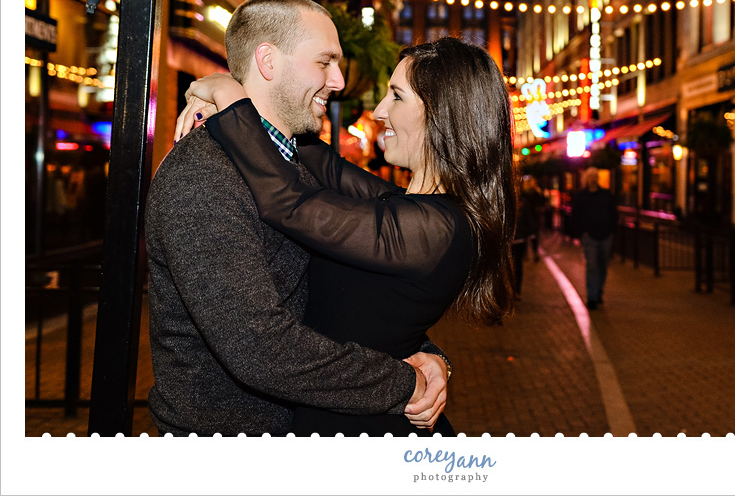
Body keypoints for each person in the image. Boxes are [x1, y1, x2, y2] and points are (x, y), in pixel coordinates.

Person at [176, 33, 517, 437]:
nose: (379, 111)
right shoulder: (408, 207)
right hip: (347, 411)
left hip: (360, 426)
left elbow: (287, 202)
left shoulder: (435, 227)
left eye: (397, 96)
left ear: (442, 115)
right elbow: (316, 158)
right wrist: (245, 93)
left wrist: (228, 94)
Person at [145, 0, 451, 437]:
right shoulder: (203, 174)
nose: (339, 80)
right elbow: (259, 347)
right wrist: (406, 382)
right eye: (325, 62)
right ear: (268, 61)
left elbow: (341, 299)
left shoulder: (292, 166)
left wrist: (428, 354)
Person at [570, 167, 618, 309]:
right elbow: (575, 215)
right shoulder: (581, 196)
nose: (593, 179)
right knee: (592, 266)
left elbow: (614, 213)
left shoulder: (606, 195)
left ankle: (598, 291)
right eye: (590, 177)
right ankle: (592, 297)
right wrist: (582, 231)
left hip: (605, 236)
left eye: (595, 176)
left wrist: (611, 230)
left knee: (602, 266)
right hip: (589, 237)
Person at [520, 175, 546, 261]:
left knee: (534, 236)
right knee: (525, 237)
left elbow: (542, 202)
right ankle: (525, 253)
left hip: (534, 217)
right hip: (526, 218)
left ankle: (534, 253)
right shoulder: (523, 194)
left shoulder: (536, 192)